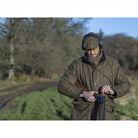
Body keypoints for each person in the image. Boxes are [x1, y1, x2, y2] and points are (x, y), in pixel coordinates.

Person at [57, 32, 130, 120]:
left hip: (106, 114)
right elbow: (62, 85)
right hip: (82, 114)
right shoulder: (77, 64)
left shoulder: (113, 64)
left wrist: (112, 91)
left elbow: (126, 85)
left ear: (100, 47)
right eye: (88, 50)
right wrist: (82, 93)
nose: (91, 53)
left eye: (94, 49)